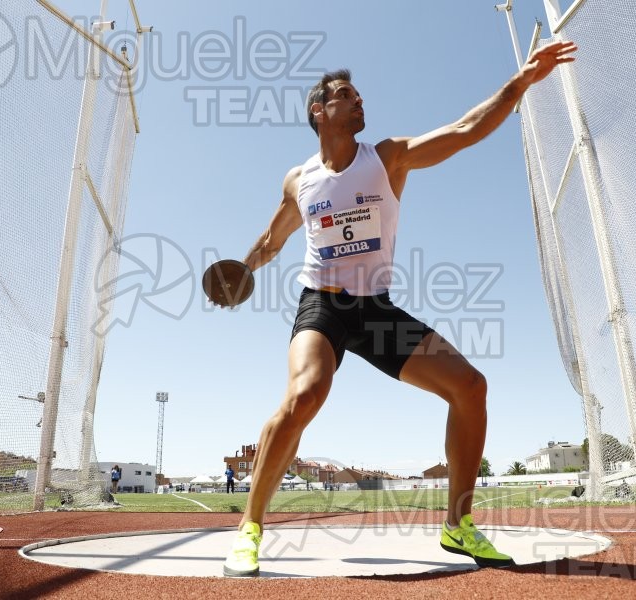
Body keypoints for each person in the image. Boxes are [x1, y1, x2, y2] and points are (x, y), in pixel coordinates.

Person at [221, 41, 577, 578]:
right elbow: (271, 240)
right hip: (321, 306)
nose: (359, 101)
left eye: (361, 95)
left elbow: (464, 130)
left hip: (375, 312)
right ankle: (250, 528)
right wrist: (241, 272)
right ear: (318, 111)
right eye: (346, 95)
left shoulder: (386, 157)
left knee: (470, 387)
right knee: (305, 393)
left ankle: (458, 524)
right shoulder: (299, 179)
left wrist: (520, 82)